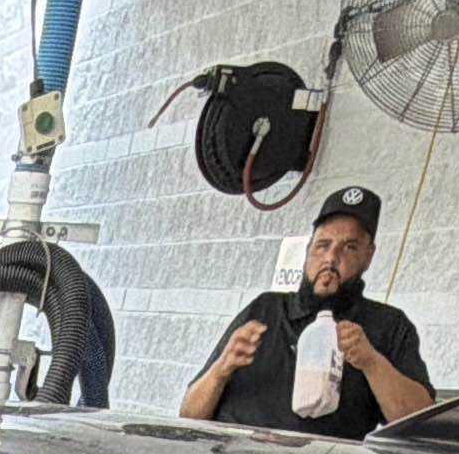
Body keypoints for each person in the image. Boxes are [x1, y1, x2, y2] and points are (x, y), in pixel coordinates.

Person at [180, 185, 435, 439]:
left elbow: (420, 425)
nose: (331, 258)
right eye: (323, 245)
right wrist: (222, 368)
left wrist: (371, 362)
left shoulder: (388, 325)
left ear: (368, 256)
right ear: (308, 250)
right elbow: (190, 415)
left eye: (349, 247)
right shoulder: (265, 309)